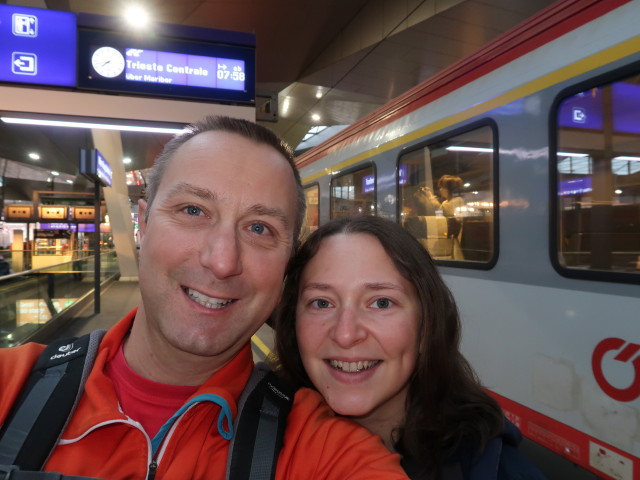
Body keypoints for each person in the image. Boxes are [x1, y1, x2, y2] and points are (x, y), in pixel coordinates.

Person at [0, 117, 408, 480]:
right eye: (193, 210)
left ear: (288, 263)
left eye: (260, 228)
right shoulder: (9, 385)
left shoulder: (323, 448)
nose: (223, 261)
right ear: (142, 224)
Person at [273, 216, 547, 480]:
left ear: (426, 326)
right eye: (322, 303)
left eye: (381, 303)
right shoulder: (250, 440)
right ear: (293, 322)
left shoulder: (499, 470)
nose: (345, 334)